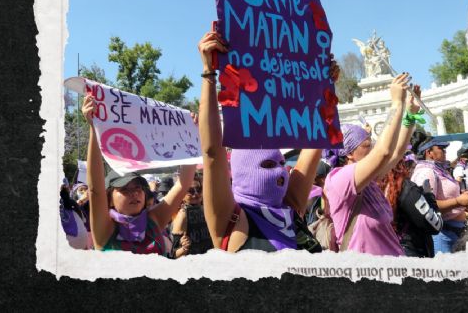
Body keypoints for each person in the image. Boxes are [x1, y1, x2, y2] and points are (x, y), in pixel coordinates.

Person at [196, 24, 338, 252]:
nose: (281, 172)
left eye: (281, 163)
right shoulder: (231, 219)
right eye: (268, 164)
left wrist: (324, 85)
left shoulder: (290, 208)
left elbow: (316, 136)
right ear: (242, 172)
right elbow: (212, 152)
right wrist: (208, 73)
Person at [81, 94, 196, 256]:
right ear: (110, 200)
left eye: (138, 187)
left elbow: (183, 183)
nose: (134, 193)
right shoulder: (105, 229)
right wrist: (93, 127)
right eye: (125, 189)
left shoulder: (154, 219)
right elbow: (95, 189)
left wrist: (192, 134)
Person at [324, 73, 416, 256]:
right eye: (367, 145)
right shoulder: (340, 179)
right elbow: (383, 152)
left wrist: (411, 114)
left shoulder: (367, 181)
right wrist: (396, 104)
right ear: (348, 153)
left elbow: (397, 152)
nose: (372, 148)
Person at [411, 132, 468, 254]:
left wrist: (460, 197)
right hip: (443, 236)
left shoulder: (437, 169)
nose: (445, 151)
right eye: (441, 148)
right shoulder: (426, 172)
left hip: (453, 232)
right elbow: (426, 207)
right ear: (429, 153)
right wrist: (457, 201)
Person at [379, 155, 443, 257]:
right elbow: (436, 226)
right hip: (410, 253)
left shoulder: (374, 186)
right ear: (401, 165)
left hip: (386, 249)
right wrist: (429, 195)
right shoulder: (406, 188)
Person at [171, 173, 213, 258]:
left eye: (199, 189)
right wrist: (184, 248)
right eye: (190, 191)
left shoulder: (206, 209)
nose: (196, 194)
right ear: (181, 195)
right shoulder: (183, 216)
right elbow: (173, 255)